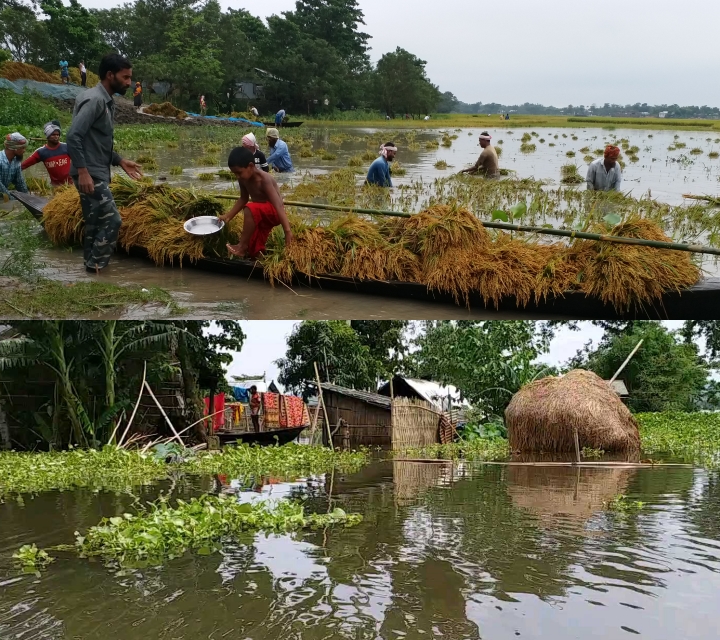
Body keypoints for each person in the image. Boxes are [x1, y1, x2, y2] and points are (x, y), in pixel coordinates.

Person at [66, 53, 143, 273]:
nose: (129, 82)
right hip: (90, 172)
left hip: (95, 169)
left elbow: (95, 140)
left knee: (95, 222)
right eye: (125, 77)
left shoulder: (106, 101)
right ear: (110, 75)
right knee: (112, 221)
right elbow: (74, 136)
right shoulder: (96, 100)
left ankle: (90, 270)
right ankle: (97, 267)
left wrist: (119, 160)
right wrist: (82, 171)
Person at [219, 146, 293, 259]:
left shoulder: (264, 179)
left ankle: (241, 246)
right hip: (259, 214)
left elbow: (278, 205)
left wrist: (287, 231)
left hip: (273, 212)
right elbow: (243, 198)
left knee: (250, 208)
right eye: (235, 174)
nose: (237, 176)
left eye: (239, 172)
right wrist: (228, 216)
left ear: (250, 166)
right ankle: (258, 257)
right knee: (254, 248)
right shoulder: (243, 178)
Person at [21, 122, 72, 187]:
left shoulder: (66, 147)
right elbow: (25, 164)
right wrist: (15, 170)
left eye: (58, 135)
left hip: (71, 184)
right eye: (53, 135)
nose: (56, 137)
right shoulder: (41, 152)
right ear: (48, 136)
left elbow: (78, 160)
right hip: (56, 186)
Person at [0, 133, 29, 201]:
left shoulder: (16, 162)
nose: (24, 150)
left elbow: (20, 182)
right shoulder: (0, 160)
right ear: (15, 148)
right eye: (22, 148)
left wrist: (27, 198)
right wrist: (11, 199)